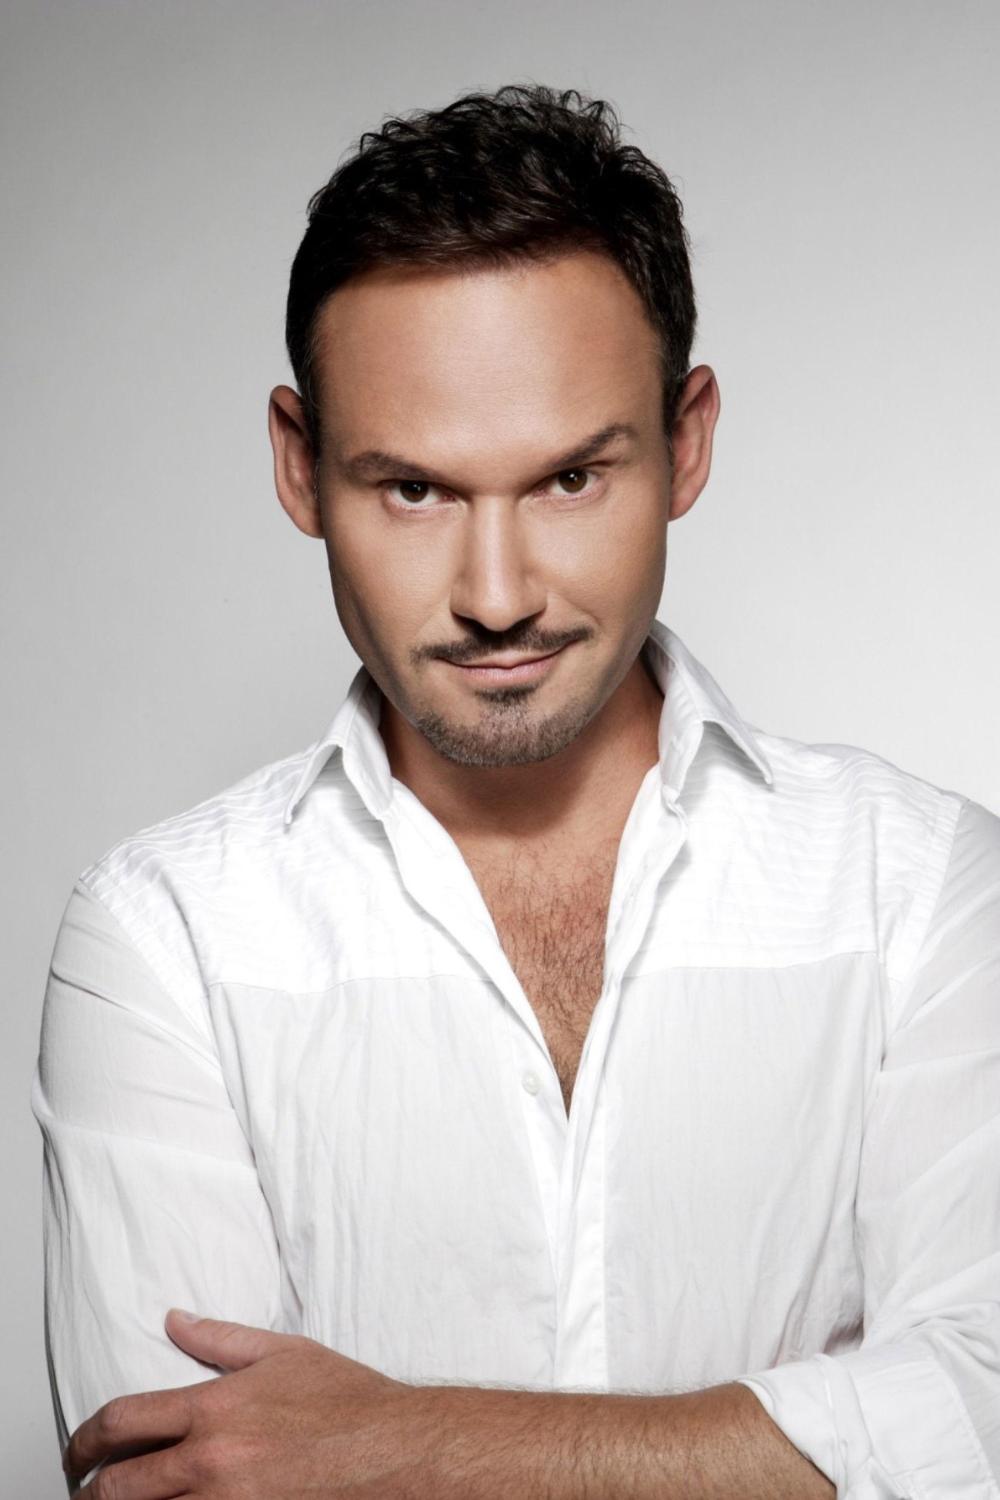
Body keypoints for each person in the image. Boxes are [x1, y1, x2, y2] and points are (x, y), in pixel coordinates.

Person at [33, 83, 1000, 1498]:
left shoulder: (916, 890)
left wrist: (409, 1446)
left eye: (568, 480)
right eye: (415, 491)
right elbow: (186, 1475)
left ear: (687, 440)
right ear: (300, 466)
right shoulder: (166, 940)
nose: (497, 597)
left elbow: (982, 1416)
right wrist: (804, 1446)